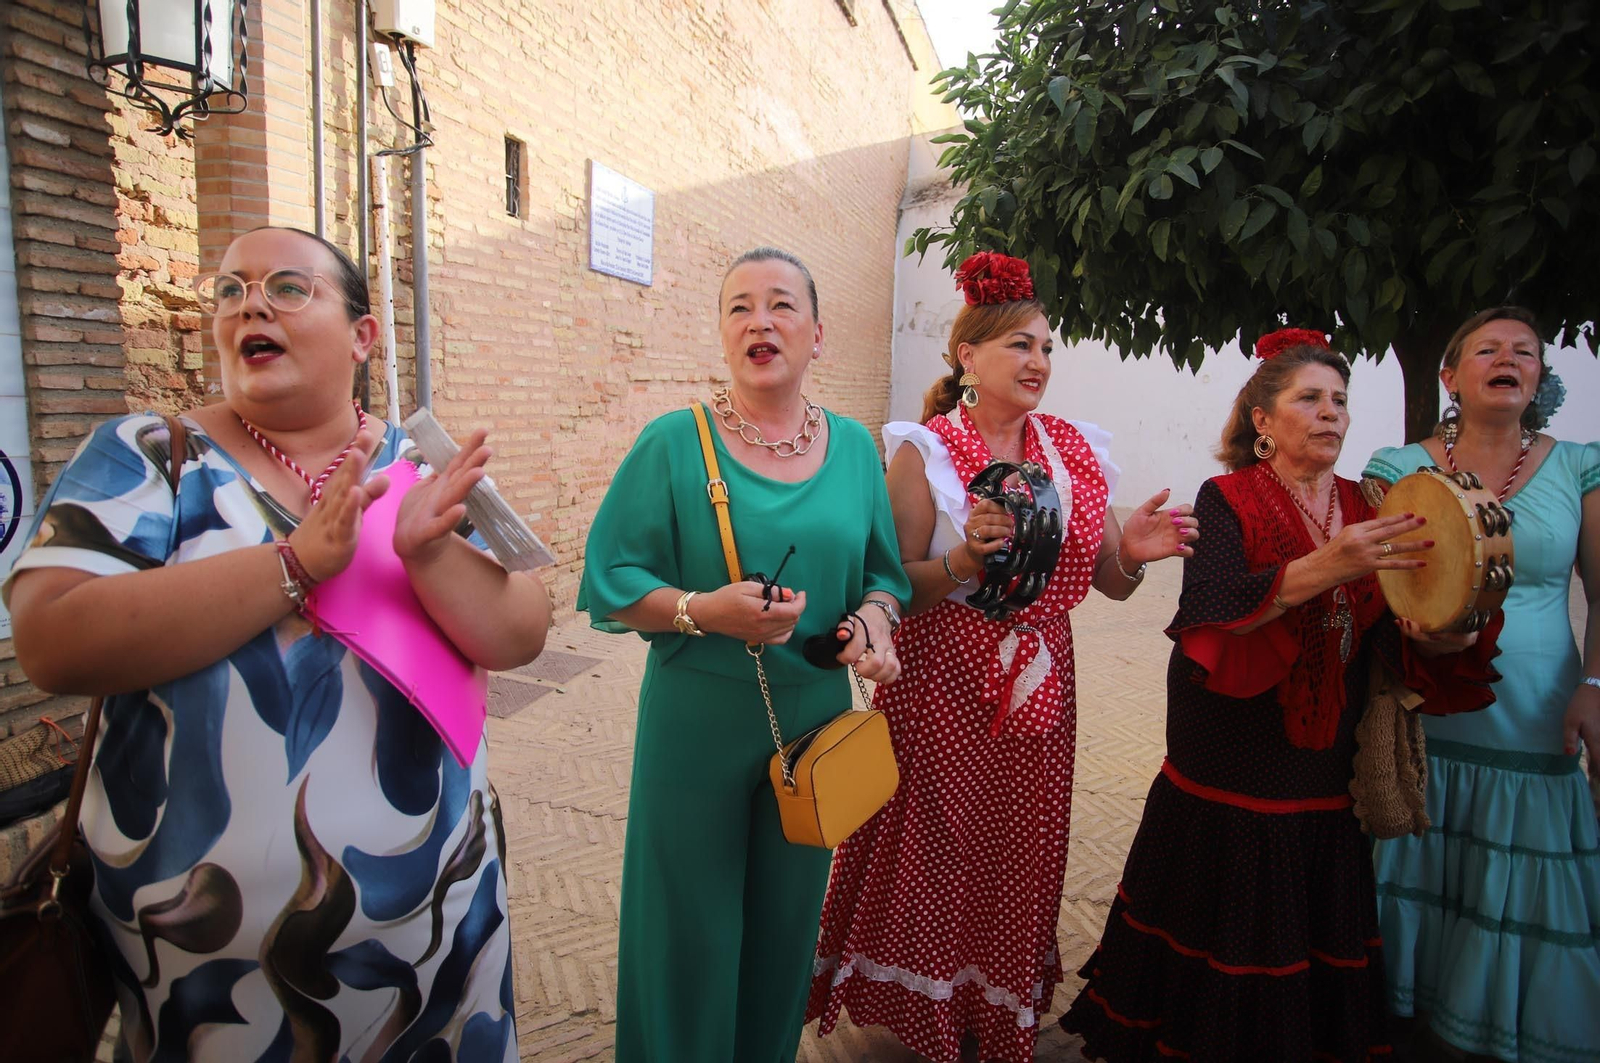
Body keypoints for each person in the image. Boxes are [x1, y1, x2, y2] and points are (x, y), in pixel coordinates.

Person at [4, 226, 550, 1061]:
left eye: (289, 287)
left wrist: (428, 552)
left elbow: (521, 631)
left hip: (441, 941)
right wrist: (295, 564)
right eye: (231, 289)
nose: (250, 302)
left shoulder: (419, 462)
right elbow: (52, 639)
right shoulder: (151, 458)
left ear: (363, 334)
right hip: (209, 981)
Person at [1059, 330, 1502, 1061]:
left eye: (1340, 400)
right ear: (1263, 421)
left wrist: (1435, 634)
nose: (1331, 413)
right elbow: (1214, 603)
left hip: (1327, 754)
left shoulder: (1371, 501)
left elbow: (1386, 631)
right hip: (1229, 751)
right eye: (1309, 398)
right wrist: (1332, 561)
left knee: (1308, 910)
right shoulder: (1226, 497)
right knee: (1226, 909)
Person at [807, 252, 1198, 1063]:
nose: (1038, 363)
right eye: (1019, 344)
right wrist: (965, 565)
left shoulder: (1073, 451)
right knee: (938, 849)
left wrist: (1134, 553)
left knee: (1019, 851)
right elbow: (889, 587)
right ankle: (924, 1016)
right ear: (968, 357)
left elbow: (1108, 586)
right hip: (941, 681)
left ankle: (989, 1008)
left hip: (1040, 687)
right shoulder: (926, 451)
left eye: (1047, 347)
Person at [577, 246, 911, 1063]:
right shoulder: (673, 444)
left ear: (818, 333)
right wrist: (701, 610)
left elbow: (883, 575)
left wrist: (871, 623)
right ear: (724, 335)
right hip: (698, 718)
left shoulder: (857, 450)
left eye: (781, 304)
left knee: (782, 927)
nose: (760, 320)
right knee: (686, 928)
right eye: (739, 307)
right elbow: (610, 576)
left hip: (814, 721)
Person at [1364, 306, 1600, 1061]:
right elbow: (1374, 594)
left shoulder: (1579, 465)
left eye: (1525, 352)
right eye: (1488, 348)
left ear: (1538, 376)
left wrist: (1595, 683)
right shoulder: (1397, 468)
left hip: (1538, 714)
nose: (1510, 358)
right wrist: (1419, 631)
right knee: (1420, 846)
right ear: (1450, 376)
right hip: (1428, 709)